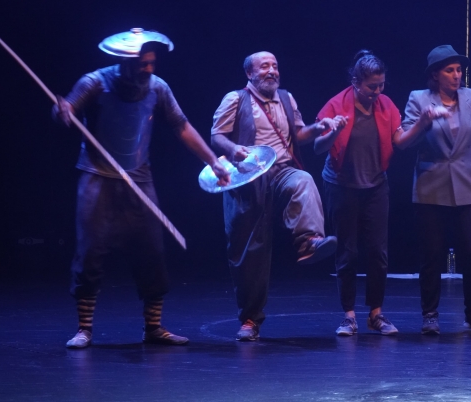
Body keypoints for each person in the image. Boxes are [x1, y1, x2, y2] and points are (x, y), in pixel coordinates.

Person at [54, 29, 231, 349]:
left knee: (152, 250)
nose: (149, 68)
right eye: (143, 63)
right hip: (97, 176)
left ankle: (153, 328)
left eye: (152, 62)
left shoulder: (158, 88)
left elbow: (181, 126)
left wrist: (212, 161)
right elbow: (66, 111)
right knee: (90, 251)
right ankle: (84, 329)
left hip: (139, 177)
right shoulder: (95, 82)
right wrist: (63, 111)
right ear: (125, 61)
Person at [211, 51, 341, 342]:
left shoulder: (286, 98)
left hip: (281, 170)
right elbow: (217, 136)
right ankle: (249, 319)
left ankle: (309, 241)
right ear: (250, 73)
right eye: (264, 67)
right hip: (247, 178)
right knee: (250, 251)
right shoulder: (235, 99)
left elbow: (299, 135)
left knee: (303, 180)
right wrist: (232, 150)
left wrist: (318, 128)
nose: (272, 71)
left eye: (275, 66)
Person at [399, 44, 471, 335]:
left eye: (459, 70)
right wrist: (424, 122)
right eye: (449, 70)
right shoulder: (418, 99)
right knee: (431, 255)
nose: (456, 75)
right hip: (431, 185)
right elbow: (406, 140)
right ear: (435, 74)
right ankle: (430, 314)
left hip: (467, 185)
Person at [314, 50, 428, 337]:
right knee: (347, 251)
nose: (377, 92)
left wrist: (422, 124)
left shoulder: (385, 105)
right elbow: (317, 147)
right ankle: (349, 316)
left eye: (381, 85)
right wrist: (333, 131)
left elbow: (401, 142)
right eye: (371, 87)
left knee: (378, 251)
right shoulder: (336, 105)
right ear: (355, 82)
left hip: (376, 185)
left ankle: (376, 314)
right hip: (341, 186)